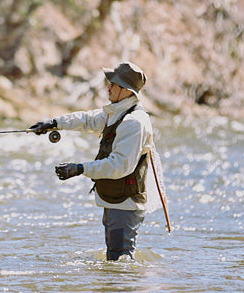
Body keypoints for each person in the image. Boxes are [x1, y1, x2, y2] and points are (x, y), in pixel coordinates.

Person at [30, 62, 160, 261]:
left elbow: (119, 166)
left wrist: (80, 169)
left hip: (125, 203)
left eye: (113, 84)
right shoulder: (117, 112)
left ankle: (122, 292)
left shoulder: (133, 123)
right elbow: (88, 120)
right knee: (115, 259)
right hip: (116, 199)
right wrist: (55, 123)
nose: (108, 87)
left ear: (125, 90)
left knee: (120, 259)